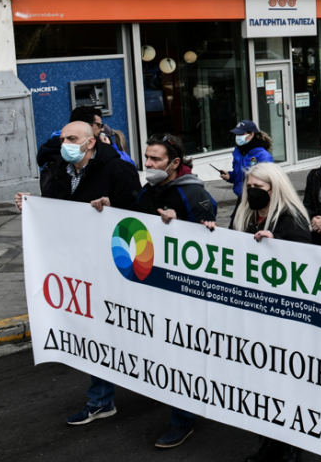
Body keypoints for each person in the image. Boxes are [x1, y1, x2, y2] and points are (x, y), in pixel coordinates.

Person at [18, 119, 141, 430]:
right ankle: (101, 400)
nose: (65, 144)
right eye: (62, 139)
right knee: (93, 331)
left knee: (129, 330)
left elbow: (140, 216)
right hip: (77, 265)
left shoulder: (118, 169)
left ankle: (157, 383)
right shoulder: (58, 167)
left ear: (91, 142)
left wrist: (112, 209)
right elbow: (57, 210)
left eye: (72, 138)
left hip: (114, 266)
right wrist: (31, 205)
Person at [119, 133, 215, 448]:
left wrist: (182, 228)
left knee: (179, 355)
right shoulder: (149, 190)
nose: (148, 164)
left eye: (156, 159)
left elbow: (209, 241)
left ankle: (182, 420)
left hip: (182, 293)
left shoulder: (191, 193)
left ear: (174, 163)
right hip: (151, 284)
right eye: (146, 158)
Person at [232, 163, 313, 462]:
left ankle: (290, 448)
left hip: (283, 318)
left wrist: (277, 248)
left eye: (258, 188)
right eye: (249, 186)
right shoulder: (244, 214)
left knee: (283, 384)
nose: (252, 192)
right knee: (259, 385)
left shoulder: (290, 219)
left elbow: (305, 263)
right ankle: (269, 442)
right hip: (251, 313)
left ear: (274, 189)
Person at [36, 106, 135, 168]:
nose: (101, 129)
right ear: (86, 126)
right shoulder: (66, 165)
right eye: (99, 125)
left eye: (72, 139)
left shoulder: (51, 149)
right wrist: (108, 149)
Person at [220, 120, 275, 208]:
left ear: (251, 134)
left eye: (241, 134)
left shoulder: (263, 155)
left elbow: (269, 180)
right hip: (242, 198)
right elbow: (239, 175)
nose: (237, 137)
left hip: (257, 198)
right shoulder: (239, 152)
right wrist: (230, 176)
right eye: (237, 134)